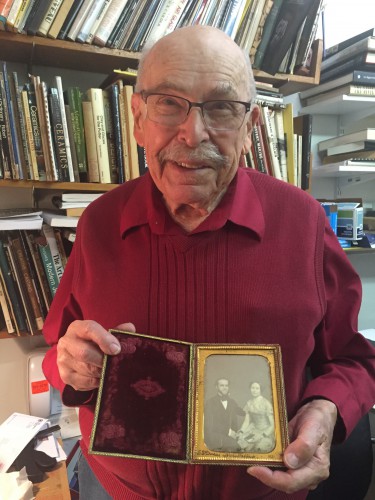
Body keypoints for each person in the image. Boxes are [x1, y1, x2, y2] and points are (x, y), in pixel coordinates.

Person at [41, 24, 375, 500]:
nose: (192, 133)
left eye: (220, 107)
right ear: (138, 119)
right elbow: (59, 346)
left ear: (250, 126)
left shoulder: (302, 222)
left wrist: (327, 407)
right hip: (115, 489)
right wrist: (70, 364)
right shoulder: (98, 224)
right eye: (168, 103)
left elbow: (353, 360)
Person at [204, 378, 245, 452]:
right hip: (216, 437)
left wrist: (253, 407)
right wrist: (228, 432)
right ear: (216, 387)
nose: (225, 387)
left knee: (245, 446)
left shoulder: (232, 402)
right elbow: (209, 425)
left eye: (226, 385)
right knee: (238, 450)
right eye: (222, 385)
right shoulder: (210, 403)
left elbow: (242, 412)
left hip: (231, 436)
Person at [237, 382, 275, 453]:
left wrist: (262, 435)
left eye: (257, 388)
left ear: (261, 390)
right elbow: (246, 421)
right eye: (252, 388)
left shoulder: (266, 403)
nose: (254, 390)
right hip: (253, 429)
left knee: (259, 447)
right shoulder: (249, 403)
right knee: (241, 442)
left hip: (265, 431)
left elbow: (273, 425)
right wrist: (242, 431)